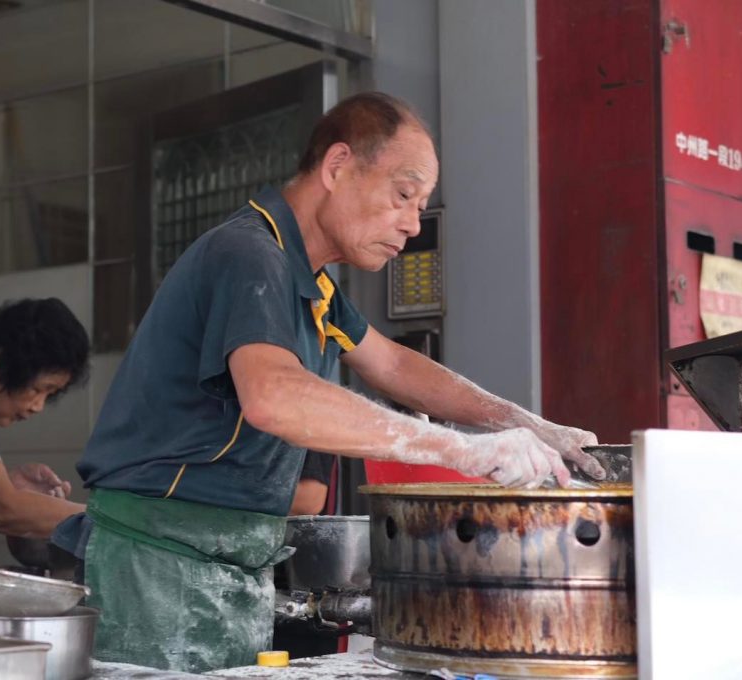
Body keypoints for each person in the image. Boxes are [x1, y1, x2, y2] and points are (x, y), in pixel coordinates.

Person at [71, 92, 605, 673]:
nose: (411, 224)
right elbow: (274, 397)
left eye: (421, 205)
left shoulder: (317, 286)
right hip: (156, 561)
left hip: (230, 562)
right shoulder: (251, 254)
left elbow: (396, 366)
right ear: (336, 166)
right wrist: (465, 452)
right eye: (403, 195)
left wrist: (528, 424)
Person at [0, 298, 89, 540]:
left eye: (49, 394)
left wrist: (8, 485)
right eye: (38, 389)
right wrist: (102, 522)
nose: (38, 407)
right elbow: (2, 509)